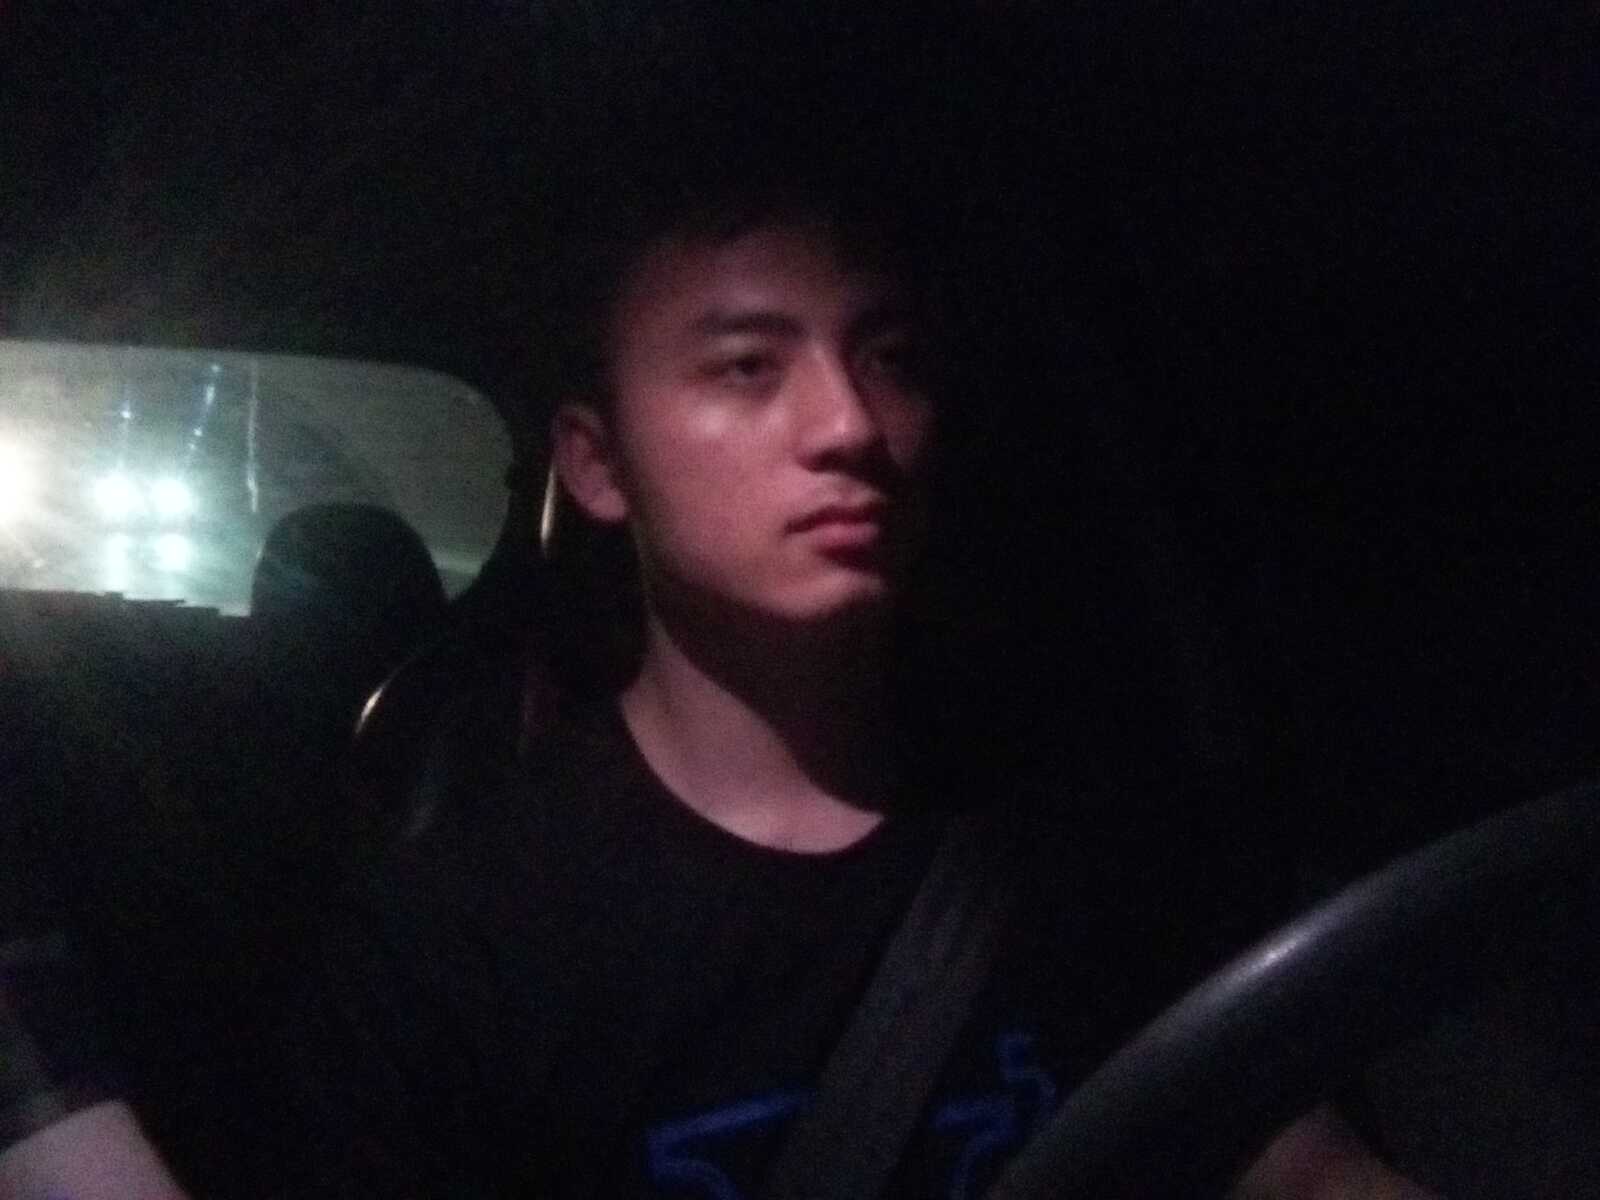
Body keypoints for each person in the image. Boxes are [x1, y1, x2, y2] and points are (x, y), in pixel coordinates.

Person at [1, 77, 1439, 1200]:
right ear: (597, 464)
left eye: (890, 358)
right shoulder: (464, 939)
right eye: (749, 368)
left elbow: (1290, 1160)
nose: (850, 425)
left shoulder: (1072, 828)